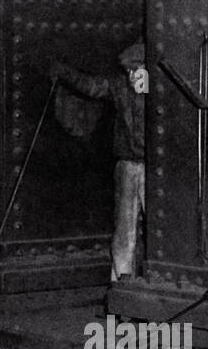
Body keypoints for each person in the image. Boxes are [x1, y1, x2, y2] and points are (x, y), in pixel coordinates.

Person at [49, 42, 146, 281]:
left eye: (138, 71)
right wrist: (63, 72)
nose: (133, 76)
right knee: (125, 229)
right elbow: (91, 87)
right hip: (128, 165)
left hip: (154, 169)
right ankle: (122, 281)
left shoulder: (161, 93)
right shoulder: (119, 85)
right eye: (129, 72)